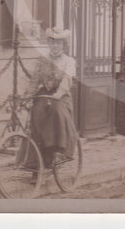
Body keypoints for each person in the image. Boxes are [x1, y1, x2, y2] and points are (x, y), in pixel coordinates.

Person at [25, 27, 78, 167]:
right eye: (53, 42)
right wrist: (27, 96)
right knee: (37, 113)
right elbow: (34, 80)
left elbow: (67, 80)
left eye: (59, 43)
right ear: (49, 43)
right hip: (45, 93)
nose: (55, 46)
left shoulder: (69, 61)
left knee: (57, 111)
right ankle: (38, 161)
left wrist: (58, 94)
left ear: (63, 45)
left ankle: (58, 150)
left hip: (62, 96)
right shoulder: (42, 60)